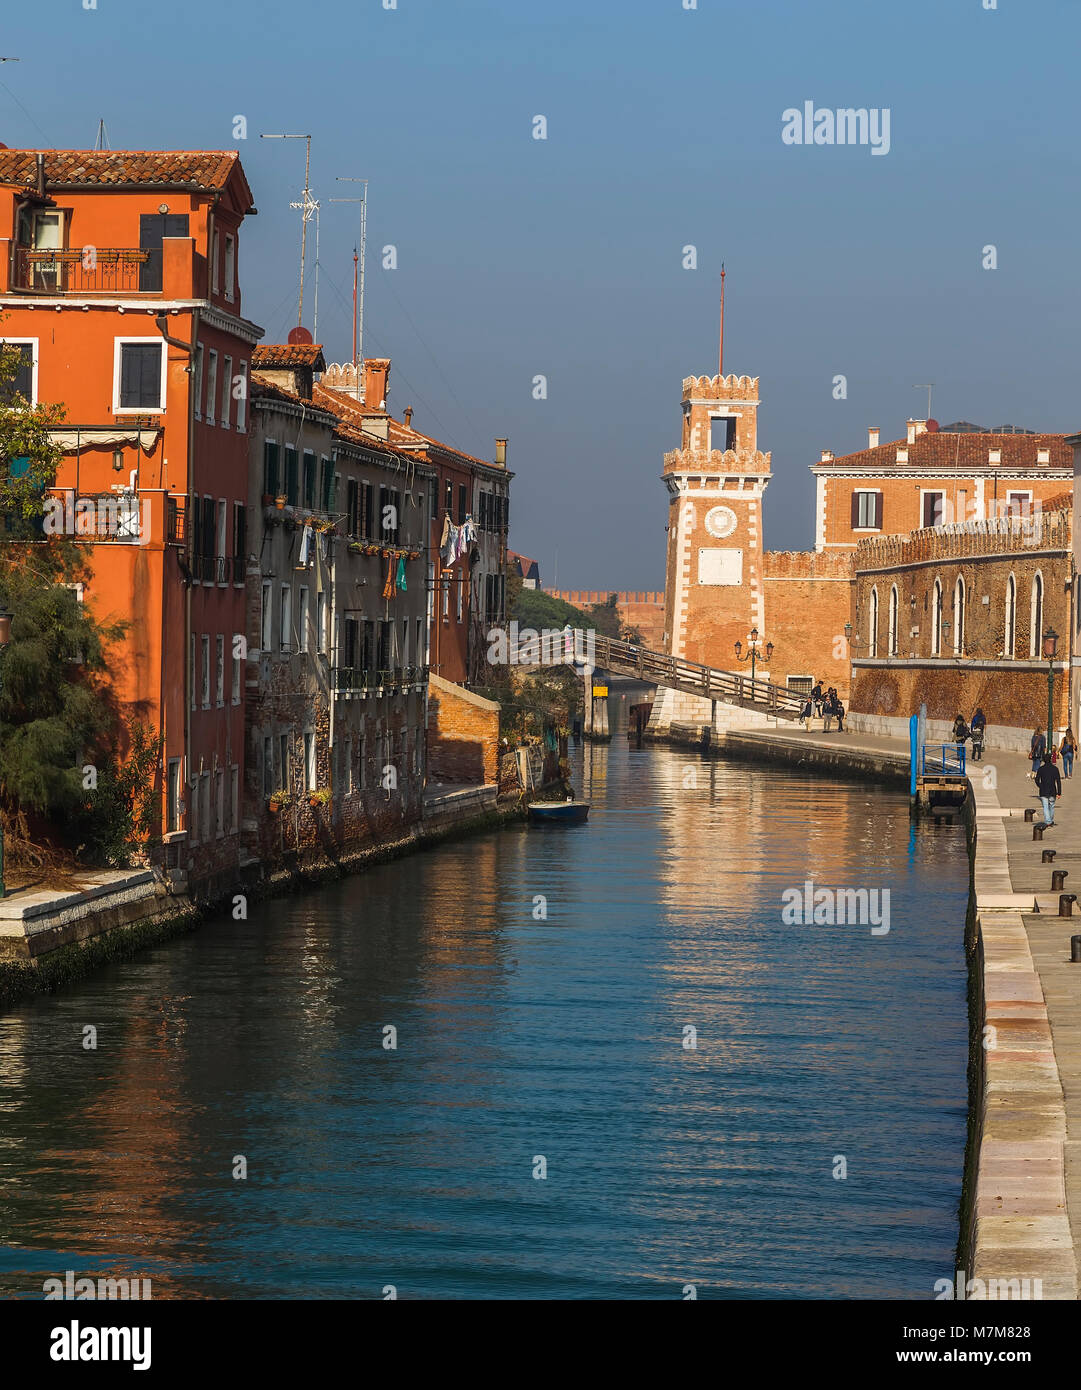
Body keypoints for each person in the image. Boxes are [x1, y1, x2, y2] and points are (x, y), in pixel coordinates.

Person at [1035, 752, 1062, 827]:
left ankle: (1048, 821)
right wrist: (1059, 793)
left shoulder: (1041, 769)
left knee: (1045, 806)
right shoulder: (1055, 769)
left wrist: (1040, 786)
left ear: (1043, 760)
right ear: (1050, 759)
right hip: (1052, 790)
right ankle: (1050, 820)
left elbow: (1037, 780)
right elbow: (1058, 781)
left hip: (1043, 790)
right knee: (1052, 806)